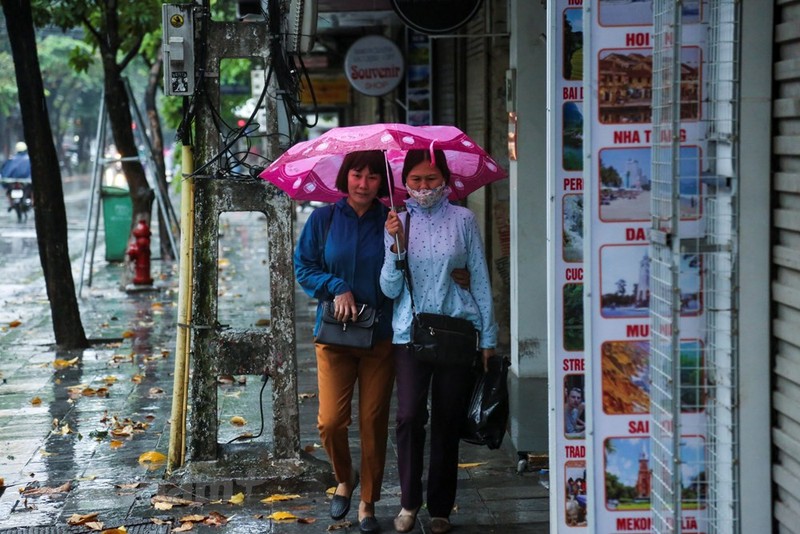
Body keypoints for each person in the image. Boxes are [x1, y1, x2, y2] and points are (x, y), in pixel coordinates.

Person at [380, 148, 499, 534]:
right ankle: (409, 503)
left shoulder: (464, 219)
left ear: (445, 180)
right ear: (405, 183)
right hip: (409, 333)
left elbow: (478, 276)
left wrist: (489, 338)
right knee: (410, 416)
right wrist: (395, 248)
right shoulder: (399, 222)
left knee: (448, 420)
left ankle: (441, 508)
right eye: (415, 179)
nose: (424, 187)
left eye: (431, 179)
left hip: (456, 331)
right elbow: (389, 288)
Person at [294, 150, 395, 534]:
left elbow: (406, 270)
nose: (364, 183)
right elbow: (304, 266)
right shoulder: (323, 219)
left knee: (372, 421)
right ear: (345, 178)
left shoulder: (391, 220)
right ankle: (344, 477)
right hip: (334, 335)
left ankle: (367, 501)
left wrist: (399, 242)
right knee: (331, 422)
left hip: (379, 335)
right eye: (357, 175)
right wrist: (336, 286)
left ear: (380, 182)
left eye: (372, 176)